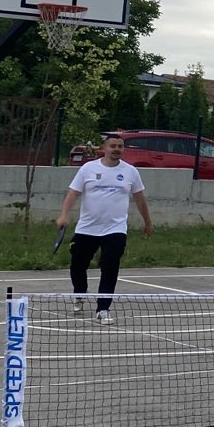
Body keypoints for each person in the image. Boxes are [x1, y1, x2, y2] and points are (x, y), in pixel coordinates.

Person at [58, 132, 153, 325]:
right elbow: (73, 193)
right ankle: (80, 292)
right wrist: (64, 215)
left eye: (120, 146)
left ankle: (103, 309)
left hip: (115, 229)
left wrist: (148, 222)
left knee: (110, 267)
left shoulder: (130, 172)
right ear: (105, 148)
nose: (117, 149)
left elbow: (140, 199)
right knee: (78, 265)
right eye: (113, 146)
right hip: (87, 228)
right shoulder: (88, 169)